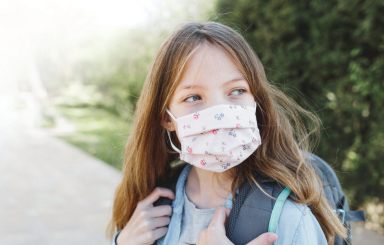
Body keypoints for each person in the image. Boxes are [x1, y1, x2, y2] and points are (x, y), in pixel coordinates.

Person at [107, 21, 348, 245]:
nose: (218, 112)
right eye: (193, 97)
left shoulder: (288, 217)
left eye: (236, 91)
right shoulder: (153, 208)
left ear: (256, 100)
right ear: (166, 118)